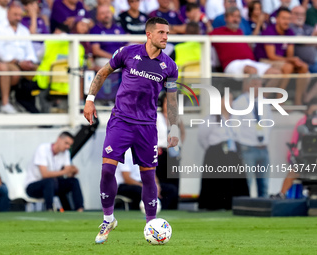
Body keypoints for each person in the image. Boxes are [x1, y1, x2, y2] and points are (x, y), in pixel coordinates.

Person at [83, 17, 179, 244]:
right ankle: (108, 219)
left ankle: (151, 225)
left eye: (168, 33)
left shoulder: (170, 66)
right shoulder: (128, 53)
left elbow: (172, 101)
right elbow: (102, 72)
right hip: (121, 121)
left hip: (147, 126)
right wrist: (90, 99)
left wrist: (173, 127)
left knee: (148, 177)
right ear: (149, 34)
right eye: (162, 33)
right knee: (107, 171)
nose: (166, 37)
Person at [197, 90, 249, 210]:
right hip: (216, 155)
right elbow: (202, 137)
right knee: (218, 182)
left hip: (232, 153)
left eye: (231, 100)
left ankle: (234, 205)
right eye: (227, 99)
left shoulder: (235, 119)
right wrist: (215, 151)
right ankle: (215, 205)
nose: (230, 103)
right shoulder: (211, 119)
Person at [254, 7, 310, 105]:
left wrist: (293, 60)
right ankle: (280, 100)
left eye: (288, 19)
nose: (286, 21)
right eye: (284, 18)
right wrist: (291, 60)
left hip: (281, 60)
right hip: (265, 60)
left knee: (304, 67)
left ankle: (298, 101)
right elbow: (271, 56)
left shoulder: (289, 32)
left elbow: (289, 54)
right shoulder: (269, 31)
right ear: (277, 19)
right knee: (288, 67)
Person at [210, 7, 281, 77]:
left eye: (238, 17)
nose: (235, 19)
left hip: (250, 62)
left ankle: (262, 89)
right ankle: (250, 89)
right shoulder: (217, 32)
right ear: (225, 18)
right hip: (232, 64)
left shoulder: (240, 32)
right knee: (252, 71)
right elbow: (205, 39)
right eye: (232, 16)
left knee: (276, 73)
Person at [232, 76, 273, 198]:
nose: (257, 88)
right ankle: (246, 209)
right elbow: (235, 124)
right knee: (248, 182)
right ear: (247, 86)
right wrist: (240, 142)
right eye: (254, 84)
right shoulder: (239, 102)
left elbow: (269, 122)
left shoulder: (264, 102)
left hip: (263, 148)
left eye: (260, 85)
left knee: (264, 183)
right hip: (248, 147)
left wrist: (265, 138)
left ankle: (264, 209)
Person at [25, 131, 84, 211]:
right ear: (58, 139)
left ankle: (79, 209)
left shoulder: (66, 153)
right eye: (66, 143)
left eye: (70, 145)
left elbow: (68, 173)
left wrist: (72, 171)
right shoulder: (42, 149)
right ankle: (49, 209)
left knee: (74, 181)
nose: (68, 147)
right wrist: (65, 171)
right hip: (33, 186)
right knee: (49, 181)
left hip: (53, 185)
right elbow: (44, 174)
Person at [272, 98, 317, 198]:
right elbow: (295, 143)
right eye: (313, 111)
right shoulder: (302, 123)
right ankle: (281, 195)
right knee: (293, 173)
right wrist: (294, 159)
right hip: (305, 159)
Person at [290, 5, 317, 74]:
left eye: (302, 14)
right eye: (297, 14)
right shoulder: (290, 28)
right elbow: (300, 41)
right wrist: (313, 36)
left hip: (313, 62)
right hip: (299, 63)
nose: (300, 16)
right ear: (291, 14)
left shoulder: (309, 27)